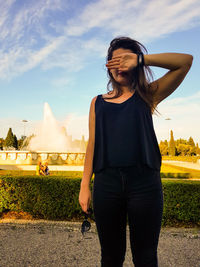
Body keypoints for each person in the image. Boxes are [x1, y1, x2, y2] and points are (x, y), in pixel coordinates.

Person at [79, 37, 193, 267]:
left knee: (146, 257)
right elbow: (93, 144)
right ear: (107, 66)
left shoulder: (147, 95)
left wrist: (141, 59)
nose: (121, 66)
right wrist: (84, 185)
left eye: (126, 60)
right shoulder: (97, 102)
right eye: (115, 61)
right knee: (110, 258)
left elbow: (185, 62)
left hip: (145, 184)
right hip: (107, 185)